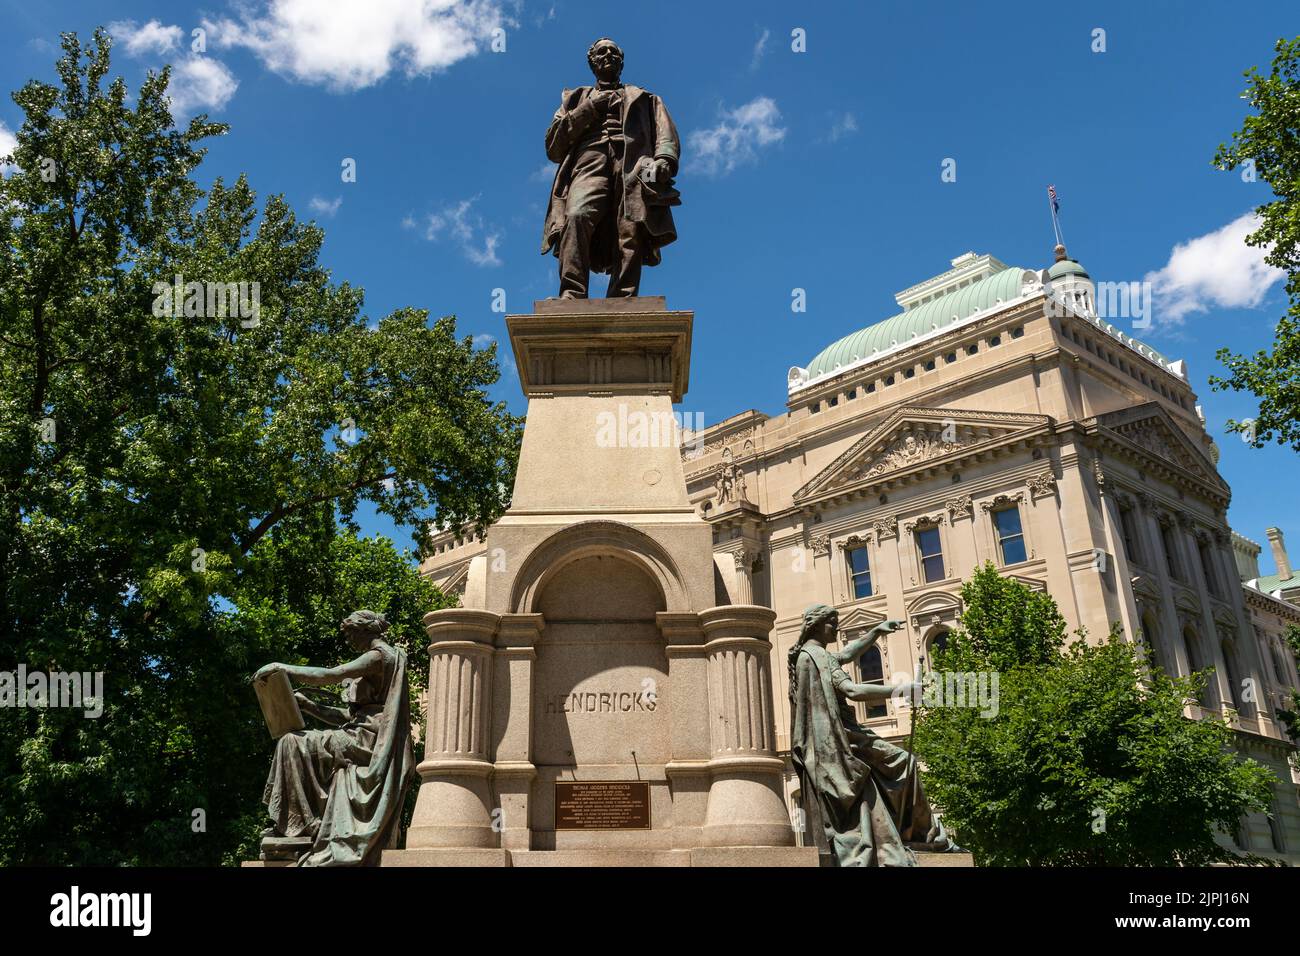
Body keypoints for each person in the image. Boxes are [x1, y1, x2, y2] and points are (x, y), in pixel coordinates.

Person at [788, 603, 961, 866]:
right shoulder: (817, 657)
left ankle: (914, 833)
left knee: (902, 765)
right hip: (846, 738)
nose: (837, 628)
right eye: (832, 623)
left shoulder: (810, 655)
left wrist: (875, 632)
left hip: (837, 737)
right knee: (906, 762)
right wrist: (903, 689)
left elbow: (846, 654)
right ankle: (925, 836)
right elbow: (853, 691)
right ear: (816, 625)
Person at [253, 610, 415, 866]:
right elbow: (349, 717)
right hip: (359, 733)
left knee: (292, 742)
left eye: (351, 634)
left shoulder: (377, 656)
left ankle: (299, 824)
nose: (349, 641)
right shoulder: (386, 657)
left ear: (364, 631)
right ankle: (299, 823)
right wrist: (309, 706)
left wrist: (280, 668)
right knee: (294, 741)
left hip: (367, 741)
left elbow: (329, 675)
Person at [540, 37, 681, 298]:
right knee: (576, 216)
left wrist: (664, 159)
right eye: (601, 51)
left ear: (622, 60)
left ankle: (623, 296)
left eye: (613, 52)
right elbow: (553, 146)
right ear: (591, 61)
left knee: (630, 226)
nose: (608, 55)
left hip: (634, 164)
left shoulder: (645, 98)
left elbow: (665, 135)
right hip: (588, 162)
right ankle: (571, 293)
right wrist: (591, 108)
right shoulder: (575, 99)